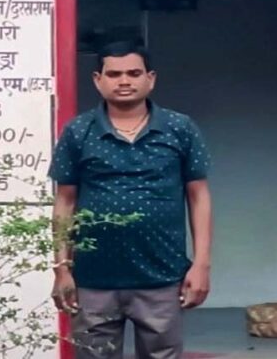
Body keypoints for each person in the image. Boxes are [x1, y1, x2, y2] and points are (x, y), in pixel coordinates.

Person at [48, 39, 213, 359]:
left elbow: (199, 197)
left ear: (151, 78)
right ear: (98, 80)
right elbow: (65, 202)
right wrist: (61, 268)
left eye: (134, 73)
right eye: (114, 74)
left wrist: (202, 264)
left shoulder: (179, 128)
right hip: (93, 279)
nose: (124, 81)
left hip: (162, 276)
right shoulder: (78, 131)